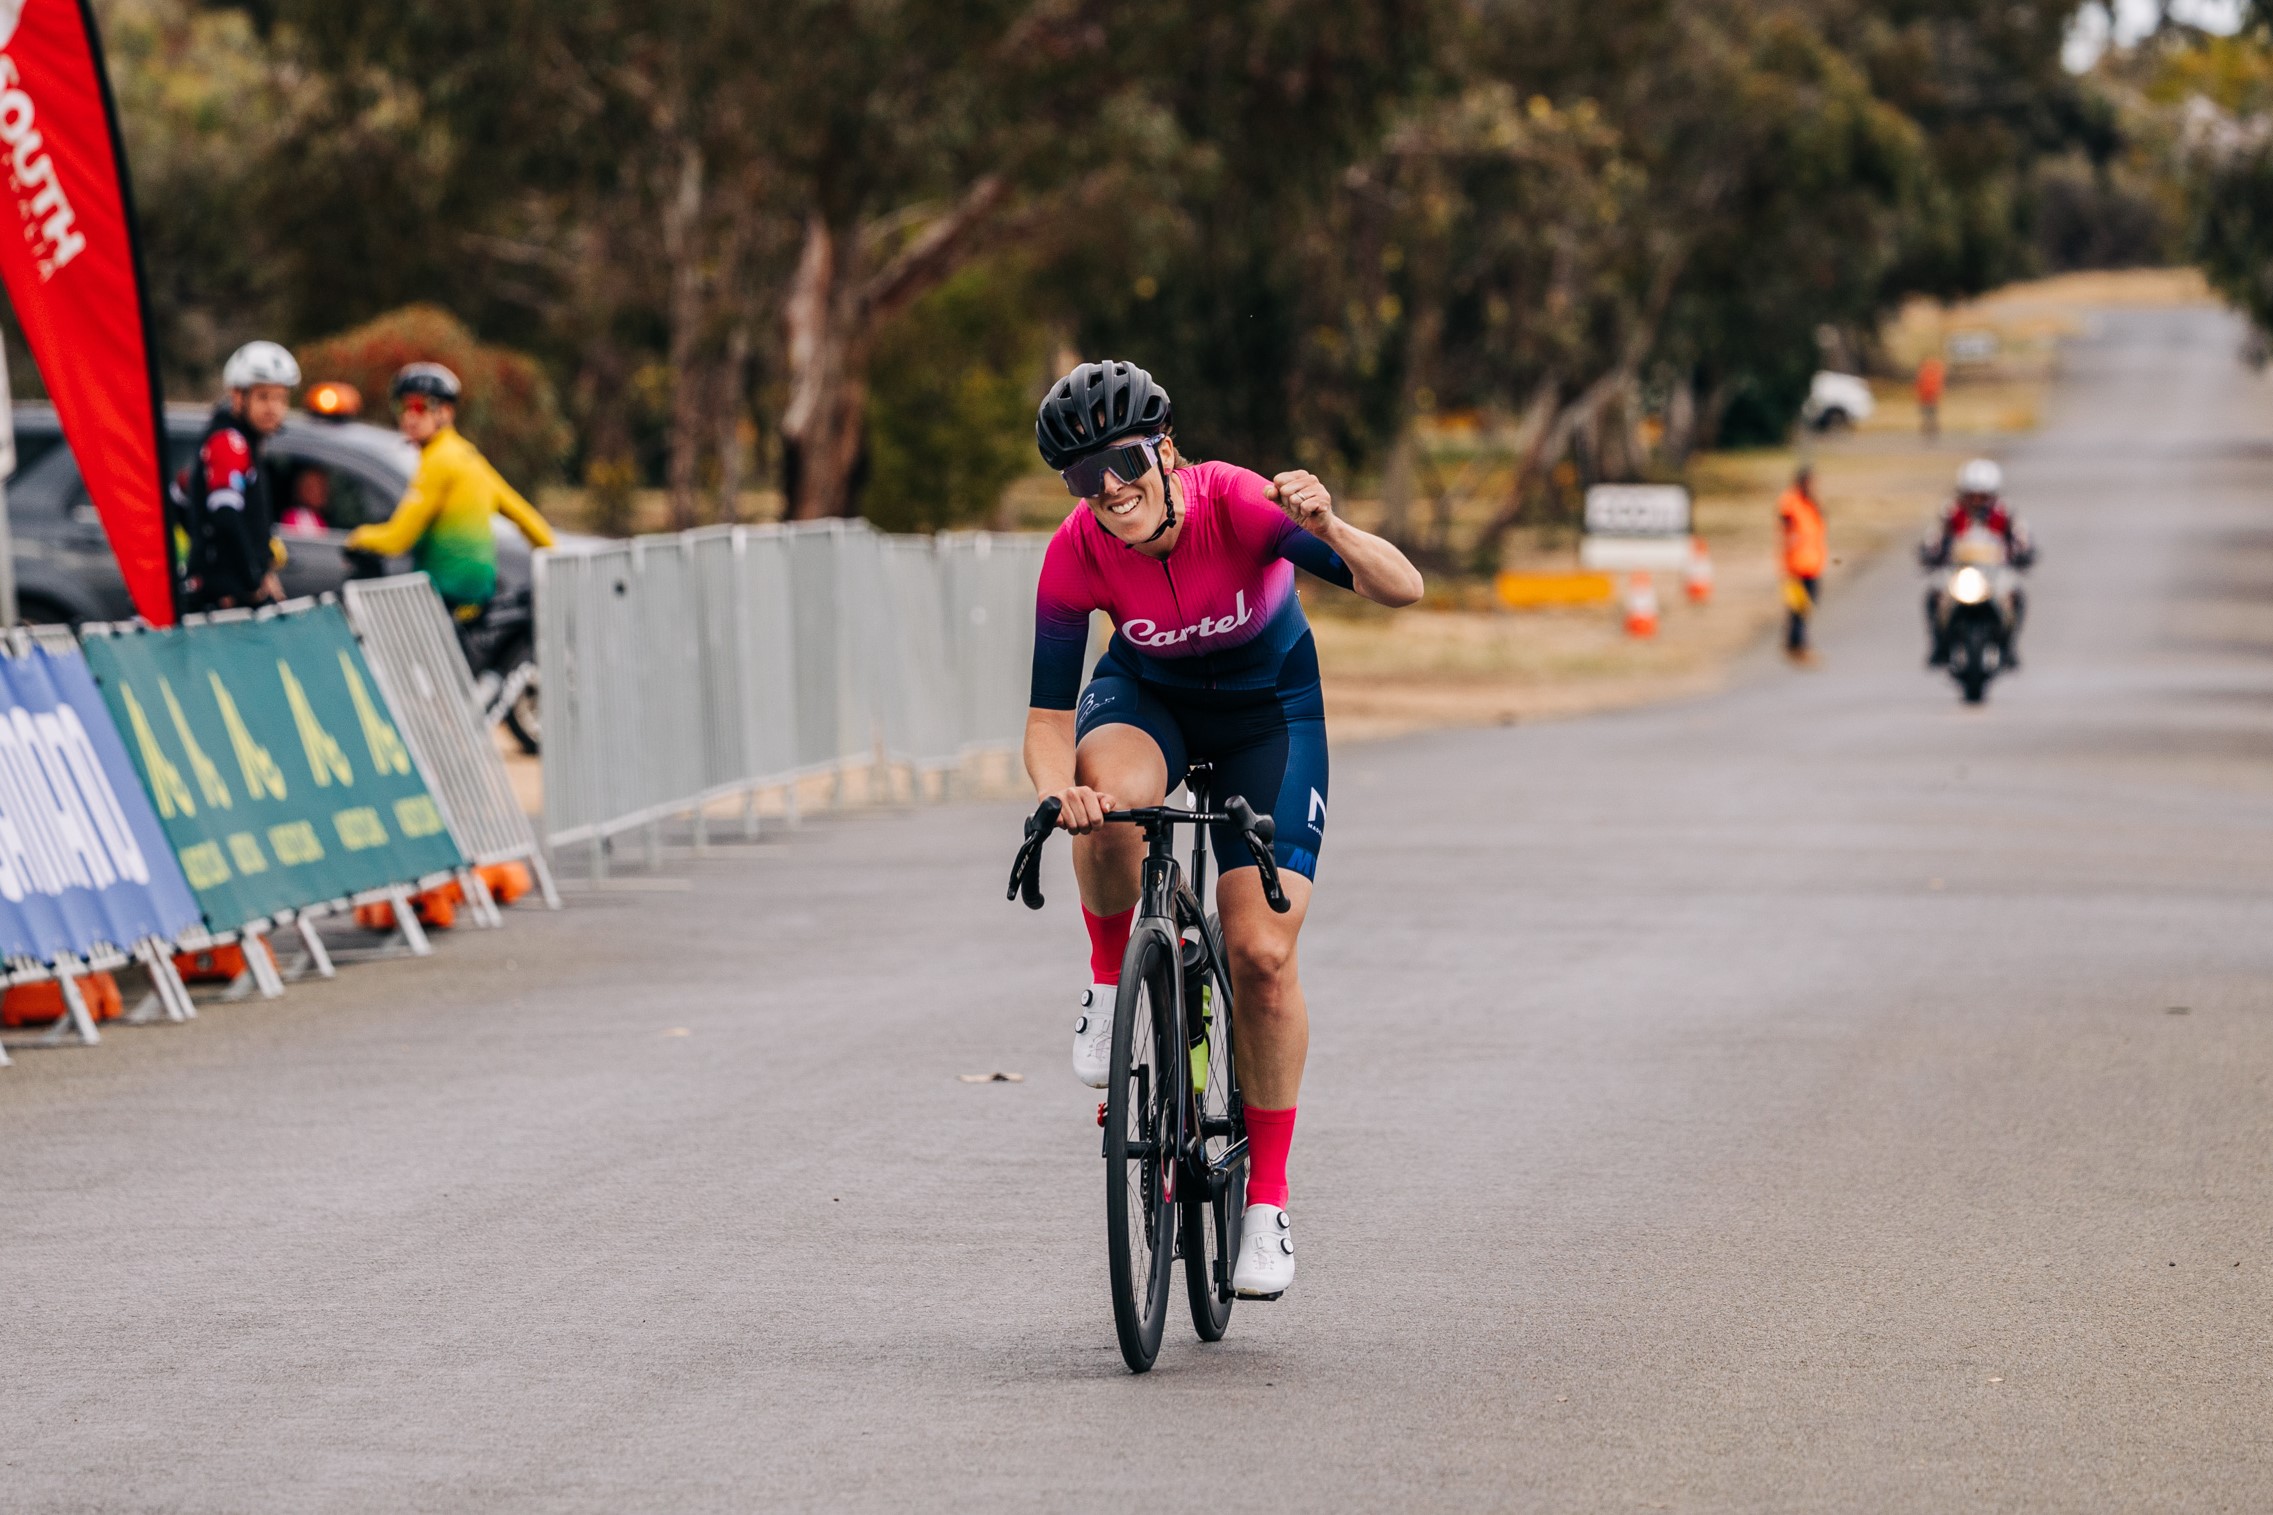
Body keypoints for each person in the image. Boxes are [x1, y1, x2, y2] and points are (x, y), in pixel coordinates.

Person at [1025, 359, 1424, 1301]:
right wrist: (1059, 795)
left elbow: (1401, 587)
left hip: (1267, 716)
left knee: (1259, 956)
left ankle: (1266, 1204)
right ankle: (1107, 975)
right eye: (1083, 477)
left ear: (1162, 448)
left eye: (1121, 461)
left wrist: (1326, 526)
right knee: (1107, 802)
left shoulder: (1238, 504)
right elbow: (1046, 725)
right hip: (1148, 701)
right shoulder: (1075, 550)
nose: (1109, 489)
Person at [345, 363, 556, 617]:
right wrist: (554, 557)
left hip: (445, 591)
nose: (409, 416)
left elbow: (398, 539)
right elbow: (524, 516)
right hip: (479, 592)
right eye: (403, 406)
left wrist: (358, 536)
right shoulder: (468, 455)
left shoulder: (439, 460)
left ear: (445, 412)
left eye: (420, 406)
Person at [179, 341, 298, 612]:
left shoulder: (244, 441)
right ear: (237, 396)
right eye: (264, 397)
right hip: (226, 597)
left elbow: (182, 493)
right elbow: (225, 516)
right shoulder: (230, 442)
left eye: (281, 398)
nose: (274, 408)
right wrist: (252, 580)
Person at [1922, 457, 2034, 667]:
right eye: (1971, 495)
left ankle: (2009, 645)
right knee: (1934, 594)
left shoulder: (2004, 512)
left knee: (2015, 595)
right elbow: (1935, 538)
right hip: (1959, 569)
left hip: (1995, 571)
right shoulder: (1952, 512)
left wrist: (2024, 553)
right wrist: (1930, 553)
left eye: (1982, 496)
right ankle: (1939, 644)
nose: (1976, 501)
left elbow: (2021, 537)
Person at [1776, 465, 1827, 664]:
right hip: (1795, 566)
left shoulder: (1812, 503)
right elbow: (1784, 516)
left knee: (1806, 607)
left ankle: (1794, 643)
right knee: (1798, 607)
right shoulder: (1791, 501)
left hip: (1813, 563)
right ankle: (1798, 645)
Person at [1916, 355, 1946, 440]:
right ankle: (1932, 429)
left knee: (1927, 414)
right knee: (1931, 414)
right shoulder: (1935, 373)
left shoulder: (1924, 373)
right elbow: (1939, 385)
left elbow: (1919, 385)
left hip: (1926, 397)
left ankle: (1929, 429)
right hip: (1931, 396)